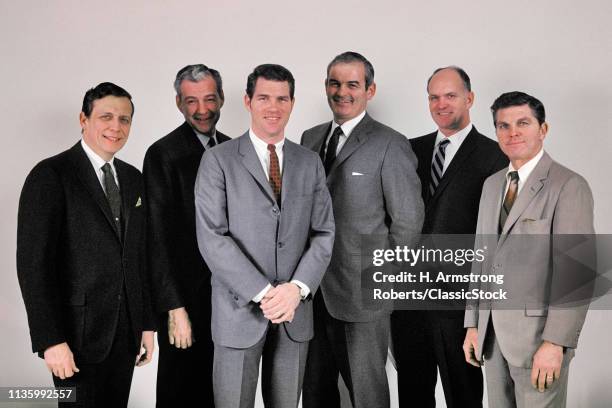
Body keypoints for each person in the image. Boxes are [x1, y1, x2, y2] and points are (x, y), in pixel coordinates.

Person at [194, 64, 335, 408]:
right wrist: (265, 293)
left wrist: (296, 290)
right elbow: (213, 238)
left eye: (282, 99)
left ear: (292, 103)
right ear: (247, 101)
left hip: (293, 314)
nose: (274, 107)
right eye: (264, 98)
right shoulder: (218, 161)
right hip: (238, 313)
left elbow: (324, 232)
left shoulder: (309, 162)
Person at [16, 82, 155, 407]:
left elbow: (138, 256)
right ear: (83, 119)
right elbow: (33, 266)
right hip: (75, 335)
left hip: (125, 333)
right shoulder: (50, 175)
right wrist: (50, 340)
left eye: (124, 119)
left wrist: (146, 324)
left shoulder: (134, 178)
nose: (116, 127)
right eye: (106, 116)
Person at [301, 51, 424, 408]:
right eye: (334, 83)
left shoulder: (390, 143)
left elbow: (408, 222)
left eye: (352, 84)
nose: (342, 92)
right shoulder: (309, 138)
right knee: (315, 391)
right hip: (309, 292)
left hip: (362, 294)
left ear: (370, 90)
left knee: (367, 393)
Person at [463, 91, 595, 407]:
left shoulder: (568, 185)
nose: (513, 133)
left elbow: (576, 275)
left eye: (523, 123)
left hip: (538, 343)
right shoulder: (492, 185)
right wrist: (472, 324)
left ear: (543, 129)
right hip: (491, 341)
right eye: (503, 126)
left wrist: (556, 343)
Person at [391, 66, 507, 408]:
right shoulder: (409, 150)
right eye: (434, 97)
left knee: (464, 394)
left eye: (451, 95)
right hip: (408, 304)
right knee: (412, 393)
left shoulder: (495, 155)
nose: (441, 104)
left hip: (459, 308)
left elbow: (497, 237)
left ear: (469, 99)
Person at [143, 64, 230, 407]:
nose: (202, 109)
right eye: (192, 101)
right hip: (186, 301)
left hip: (228, 300)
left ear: (221, 98)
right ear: (179, 102)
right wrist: (174, 308)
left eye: (210, 99)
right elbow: (157, 239)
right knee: (181, 390)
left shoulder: (232, 148)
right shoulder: (163, 154)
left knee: (220, 391)